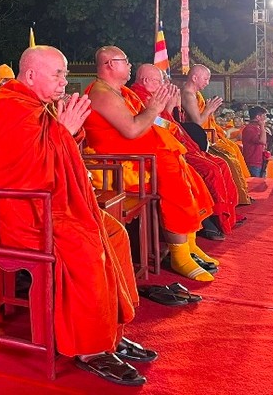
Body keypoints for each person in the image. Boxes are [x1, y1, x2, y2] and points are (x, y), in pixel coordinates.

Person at [0, 46, 153, 387]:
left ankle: (109, 329)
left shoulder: (36, 105)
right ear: (31, 75)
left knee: (113, 232)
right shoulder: (10, 107)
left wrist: (68, 131)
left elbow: (52, 158)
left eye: (64, 73)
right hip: (2, 207)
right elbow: (26, 174)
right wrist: (63, 132)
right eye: (58, 74)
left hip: (40, 201)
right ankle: (90, 348)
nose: (65, 80)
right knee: (83, 244)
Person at [84, 47, 217, 282]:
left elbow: (150, 119)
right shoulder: (101, 93)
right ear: (109, 65)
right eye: (125, 61)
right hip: (118, 163)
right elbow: (133, 128)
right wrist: (155, 109)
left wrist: (167, 119)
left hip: (144, 153)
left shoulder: (123, 92)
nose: (130, 65)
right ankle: (179, 254)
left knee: (184, 168)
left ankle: (189, 242)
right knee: (173, 174)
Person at [131, 64, 239, 238]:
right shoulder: (139, 97)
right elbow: (157, 124)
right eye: (160, 81)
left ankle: (226, 214)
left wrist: (169, 108)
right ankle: (210, 220)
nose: (164, 85)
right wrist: (169, 110)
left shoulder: (152, 97)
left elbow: (165, 123)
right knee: (209, 169)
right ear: (146, 81)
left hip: (179, 143)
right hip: (162, 151)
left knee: (222, 163)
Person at [180, 65, 252, 204]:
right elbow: (198, 123)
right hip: (201, 139)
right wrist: (209, 109)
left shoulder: (197, 94)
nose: (207, 83)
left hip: (210, 134)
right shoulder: (188, 94)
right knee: (229, 157)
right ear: (195, 78)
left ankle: (241, 193)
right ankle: (236, 198)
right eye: (206, 79)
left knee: (234, 148)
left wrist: (210, 111)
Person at [241, 106, 270, 178]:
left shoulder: (256, 128)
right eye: (264, 116)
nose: (265, 118)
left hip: (259, 161)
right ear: (258, 117)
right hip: (252, 162)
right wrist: (262, 126)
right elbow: (262, 141)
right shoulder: (249, 129)